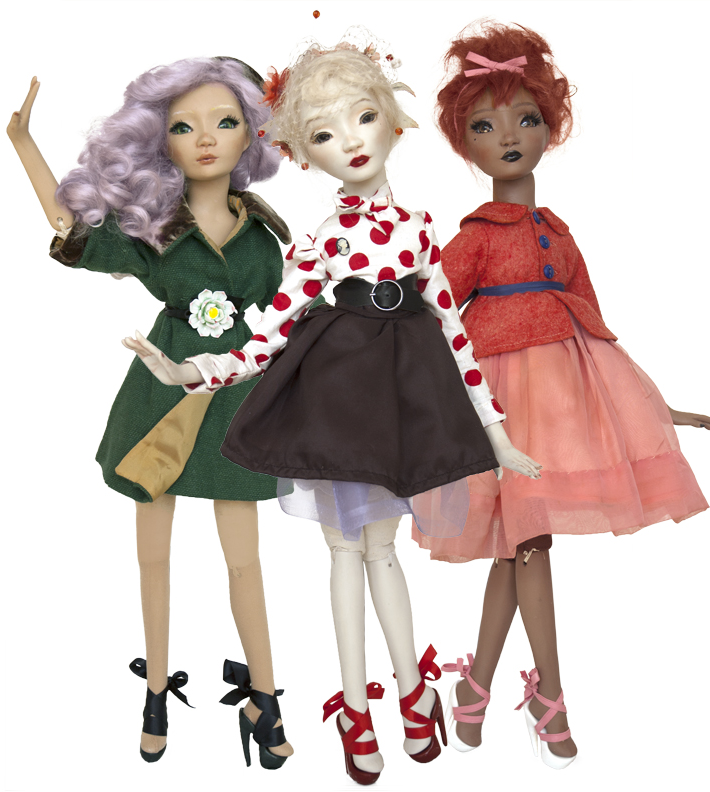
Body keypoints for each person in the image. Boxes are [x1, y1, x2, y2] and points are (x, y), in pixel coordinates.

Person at [124, 29, 541, 785]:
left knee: (382, 551)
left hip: (401, 405)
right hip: (336, 405)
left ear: (393, 120)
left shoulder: (420, 230)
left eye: (363, 117)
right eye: (322, 133)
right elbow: (267, 338)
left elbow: (455, 333)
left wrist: (497, 432)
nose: (349, 141)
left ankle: (411, 693)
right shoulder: (318, 243)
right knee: (347, 553)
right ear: (302, 154)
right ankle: (356, 707)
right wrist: (191, 368)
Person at [411, 21, 710, 770]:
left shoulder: (560, 234)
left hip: (561, 410)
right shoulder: (476, 236)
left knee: (520, 547)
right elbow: (430, 313)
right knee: (529, 546)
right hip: (498, 408)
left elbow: (597, 328)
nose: (509, 137)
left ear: (550, 126)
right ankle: (550, 696)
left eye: (525, 119)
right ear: (463, 144)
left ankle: (476, 687)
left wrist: (655, 407)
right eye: (485, 126)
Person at [7, 57, 295, 768]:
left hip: (235, 396)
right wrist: (23, 143)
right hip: (159, 397)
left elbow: (285, 321)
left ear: (253, 133)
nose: (206, 139)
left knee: (245, 560)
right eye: (184, 127)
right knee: (153, 556)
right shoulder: (153, 227)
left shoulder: (265, 237)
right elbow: (70, 229)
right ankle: (157, 691)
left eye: (224, 122)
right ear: (158, 140)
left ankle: (265, 696)